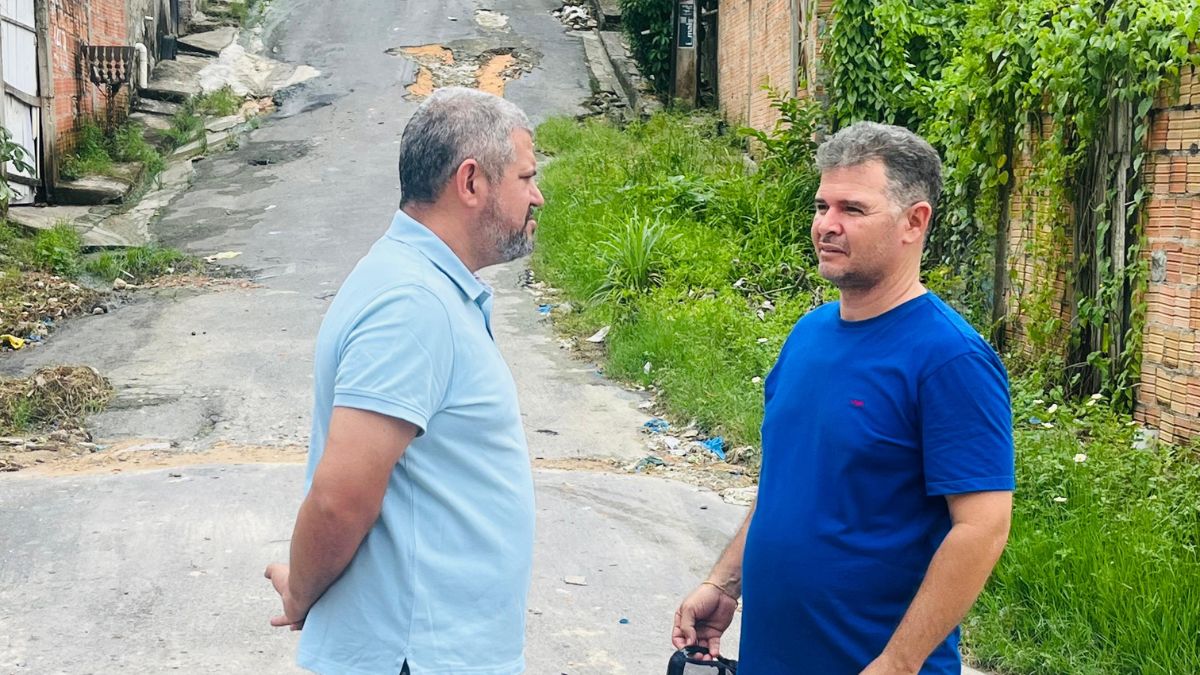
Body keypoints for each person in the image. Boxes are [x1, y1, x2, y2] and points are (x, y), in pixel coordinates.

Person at [671, 122, 1014, 674]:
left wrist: (898, 663)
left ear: (914, 221)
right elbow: (787, 485)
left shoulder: (950, 358)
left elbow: (982, 528)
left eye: (852, 209)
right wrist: (725, 583)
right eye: (821, 206)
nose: (826, 225)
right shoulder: (808, 335)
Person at [264, 86, 544, 675]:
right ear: (471, 182)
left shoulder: (423, 286)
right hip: (415, 656)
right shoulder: (412, 303)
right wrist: (300, 593)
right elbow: (340, 498)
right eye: (525, 178)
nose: (536, 196)